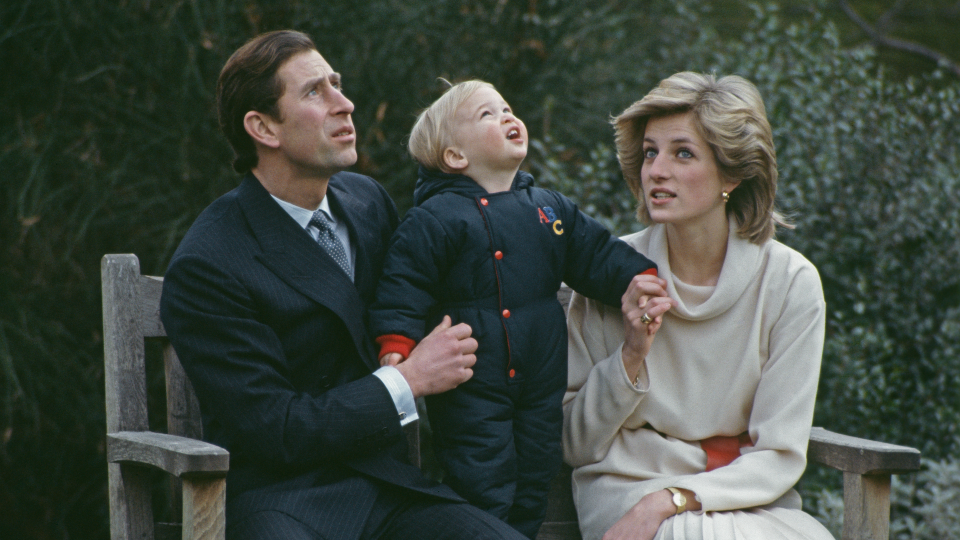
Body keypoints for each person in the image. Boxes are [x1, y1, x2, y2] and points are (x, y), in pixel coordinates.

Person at [159, 30, 529, 540]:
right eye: (316, 92)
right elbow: (275, 428)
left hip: (392, 489)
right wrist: (408, 380)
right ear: (263, 127)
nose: (346, 103)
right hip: (282, 503)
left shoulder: (367, 202)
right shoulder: (209, 262)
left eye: (337, 84)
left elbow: (423, 292)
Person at [368, 80, 657, 538]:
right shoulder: (436, 218)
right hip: (471, 385)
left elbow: (597, 254)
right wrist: (396, 343)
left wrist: (640, 278)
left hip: (541, 383)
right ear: (455, 157)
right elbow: (405, 283)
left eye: (506, 107)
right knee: (482, 483)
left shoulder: (548, 209)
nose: (507, 116)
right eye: (487, 114)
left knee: (534, 479)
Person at [561, 72, 836, 540]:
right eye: (650, 152)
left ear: (732, 172)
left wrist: (674, 499)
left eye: (682, 153)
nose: (656, 170)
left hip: (744, 499)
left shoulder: (790, 283)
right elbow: (575, 443)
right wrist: (631, 354)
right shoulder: (608, 273)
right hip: (629, 490)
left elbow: (780, 452)